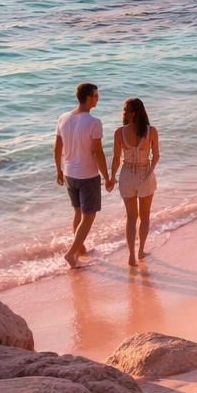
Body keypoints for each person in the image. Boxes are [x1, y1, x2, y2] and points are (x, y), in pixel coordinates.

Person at [54, 82, 112, 269]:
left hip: (70, 172)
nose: (98, 98)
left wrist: (58, 169)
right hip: (87, 174)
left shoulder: (63, 118)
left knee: (78, 211)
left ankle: (81, 248)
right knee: (89, 215)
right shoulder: (94, 122)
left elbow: (57, 147)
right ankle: (72, 253)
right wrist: (107, 176)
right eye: (96, 95)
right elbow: (98, 153)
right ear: (88, 97)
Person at [110, 97, 159, 266]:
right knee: (144, 216)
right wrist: (149, 173)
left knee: (131, 217)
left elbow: (116, 158)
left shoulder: (119, 132)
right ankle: (140, 251)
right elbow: (156, 156)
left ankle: (131, 256)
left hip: (126, 175)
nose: (123, 112)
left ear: (131, 112)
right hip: (145, 172)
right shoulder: (151, 131)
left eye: (125, 109)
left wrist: (111, 177)